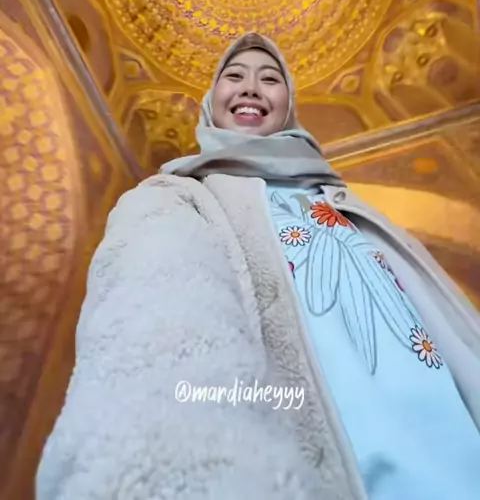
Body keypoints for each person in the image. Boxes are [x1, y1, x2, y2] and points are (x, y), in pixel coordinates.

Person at [36, 33, 480, 500]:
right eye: (234, 76)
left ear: (288, 104)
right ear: (211, 102)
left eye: (270, 79)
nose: (251, 87)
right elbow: (158, 342)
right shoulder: (179, 196)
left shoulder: (343, 201)